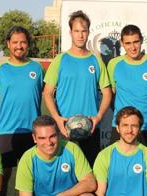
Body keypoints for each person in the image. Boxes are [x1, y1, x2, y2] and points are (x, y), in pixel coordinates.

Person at [0, 26, 44, 196]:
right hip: (6, 132)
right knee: (1, 178)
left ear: (28, 44)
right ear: (8, 44)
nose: (19, 46)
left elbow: (49, 91)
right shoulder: (2, 70)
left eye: (23, 42)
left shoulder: (37, 68)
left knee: (31, 178)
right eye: (15, 42)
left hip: (32, 133)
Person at [43, 10, 112, 165]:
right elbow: (47, 93)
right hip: (65, 128)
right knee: (64, 173)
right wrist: (57, 119)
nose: (80, 35)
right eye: (77, 31)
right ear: (71, 33)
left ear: (88, 32)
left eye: (84, 31)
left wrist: (98, 117)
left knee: (91, 174)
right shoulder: (60, 60)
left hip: (90, 128)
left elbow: (107, 93)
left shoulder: (95, 60)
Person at [107, 24, 147, 156]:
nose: (133, 47)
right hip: (121, 127)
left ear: (141, 40)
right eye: (128, 43)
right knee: (115, 168)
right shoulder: (114, 64)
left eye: (136, 42)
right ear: (121, 43)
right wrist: (123, 116)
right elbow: (111, 96)